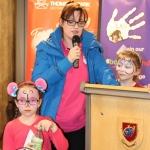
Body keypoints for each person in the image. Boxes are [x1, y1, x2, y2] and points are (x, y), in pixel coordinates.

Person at [31, 1, 119, 150]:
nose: (76, 26)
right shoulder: (46, 49)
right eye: (71, 21)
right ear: (61, 22)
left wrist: (120, 91)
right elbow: (38, 83)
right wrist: (68, 61)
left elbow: (105, 73)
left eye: (80, 22)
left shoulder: (91, 48)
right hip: (51, 124)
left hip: (81, 126)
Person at [3, 78, 68, 150]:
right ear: (16, 103)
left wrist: (53, 127)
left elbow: (63, 147)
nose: (27, 105)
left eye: (32, 100)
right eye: (22, 100)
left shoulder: (46, 123)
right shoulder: (10, 127)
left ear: (39, 103)